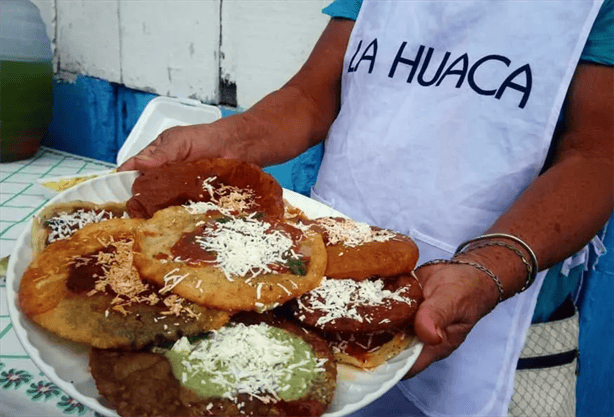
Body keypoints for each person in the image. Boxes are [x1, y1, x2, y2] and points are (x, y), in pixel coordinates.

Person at [119, 0, 613, 415]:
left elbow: (598, 152)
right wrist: (221, 140)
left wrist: (489, 267)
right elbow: (311, 96)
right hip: (326, 276)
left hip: (510, 314)